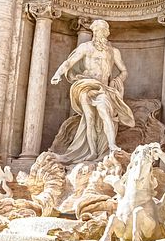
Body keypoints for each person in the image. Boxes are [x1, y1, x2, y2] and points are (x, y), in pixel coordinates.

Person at [50, 19, 136, 162]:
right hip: (86, 85)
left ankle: (111, 145)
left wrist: (118, 80)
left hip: (103, 88)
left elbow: (124, 71)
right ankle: (92, 152)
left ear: (106, 33)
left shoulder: (114, 52)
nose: (98, 34)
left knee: (104, 112)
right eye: (96, 31)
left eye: (101, 31)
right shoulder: (86, 47)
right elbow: (69, 63)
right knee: (89, 119)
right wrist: (57, 74)